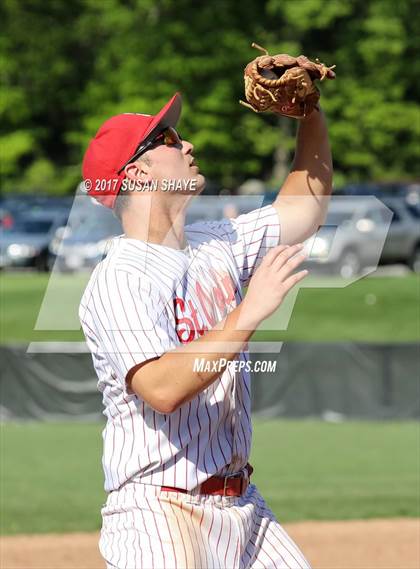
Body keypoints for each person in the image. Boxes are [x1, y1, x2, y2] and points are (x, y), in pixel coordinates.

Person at [80, 91, 332, 569]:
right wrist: (249, 312)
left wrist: (309, 113)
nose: (188, 143)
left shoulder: (217, 243)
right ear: (136, 172)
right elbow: (160, 387)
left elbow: (305, 209)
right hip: (160, 511)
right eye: (169, 138)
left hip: (243, 507)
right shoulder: (120, 278)